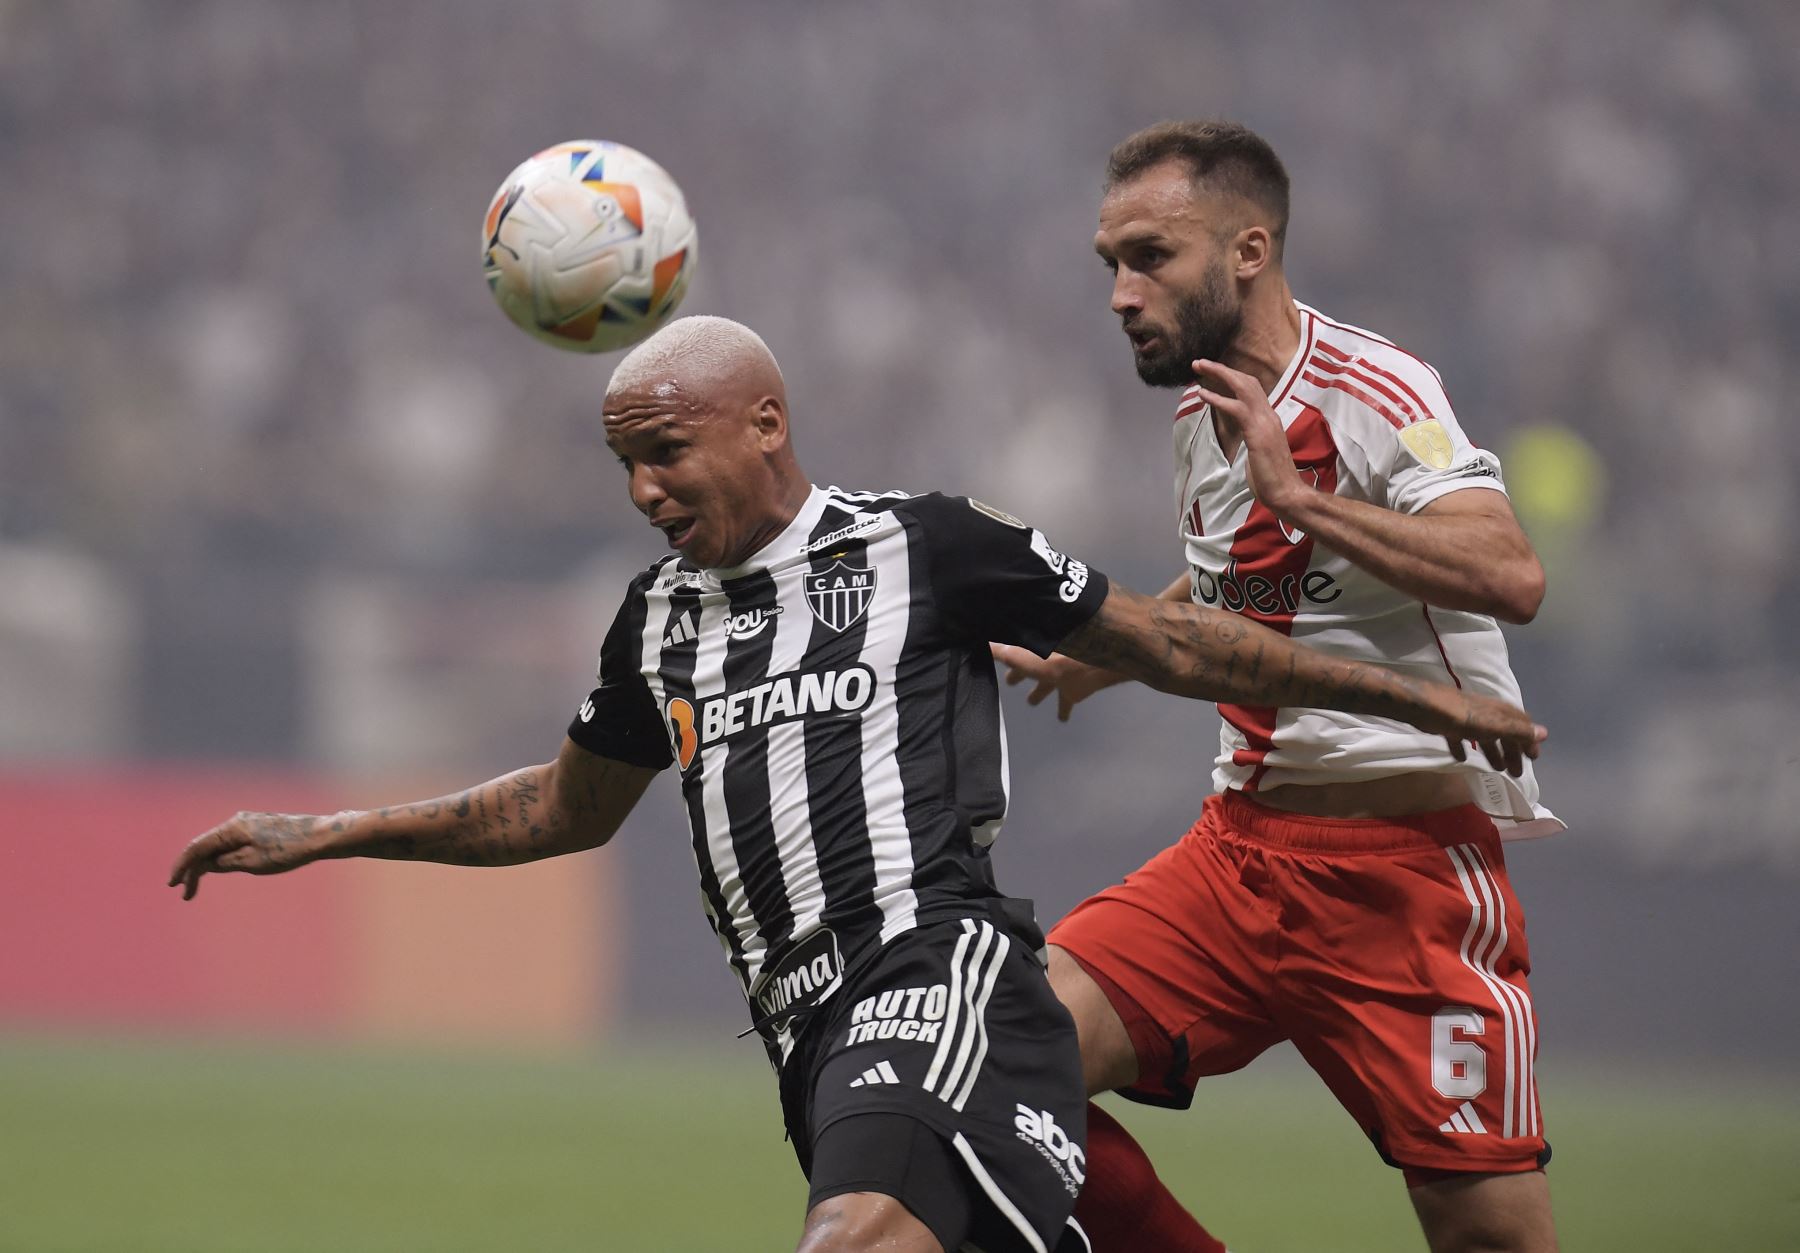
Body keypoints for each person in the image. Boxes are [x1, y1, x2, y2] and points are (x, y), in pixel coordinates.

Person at [169, 316, 1544, 1253]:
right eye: (625, 465)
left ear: (765, 424)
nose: (645, 490)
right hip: (807, 1043)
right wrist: (336, 829)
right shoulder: (656, 619)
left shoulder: (928, 546)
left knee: (860, 1240)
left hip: (930, 977)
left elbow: (1177, 637)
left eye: (667, 453)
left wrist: (1418, 696)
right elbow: (560, 810)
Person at [997, 122, 1564, 1253]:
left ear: (1247, 250)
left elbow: (1512, 572)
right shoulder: (1198, 418)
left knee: (1492, 1237)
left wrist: (1305, 498)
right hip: (1236, 859)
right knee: (997, 1064)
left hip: (1407, 881)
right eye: (1110, 261)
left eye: (1151, 255)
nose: (1120, 292)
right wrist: (1101, 652)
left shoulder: (1373, 387)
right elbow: (1233, 575)